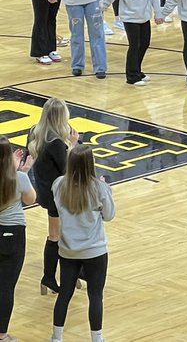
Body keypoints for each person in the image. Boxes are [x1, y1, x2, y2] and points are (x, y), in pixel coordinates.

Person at [50, 145, 115, 342]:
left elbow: (61, 209)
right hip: (95, 251)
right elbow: (109, 216)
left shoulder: (58, 184)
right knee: (95, 295)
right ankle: (97, 338)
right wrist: (106, 190)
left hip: (68, 251)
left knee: (64, 294)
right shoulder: (99, 188)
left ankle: (56, 337)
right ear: (90, 164)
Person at [28, 98, 76, 296]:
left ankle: (76, 271)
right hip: (58, 194)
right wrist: (72, 145)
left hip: (44, 189)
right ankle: (48, 277)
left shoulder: (35, 131)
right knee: (56, 236)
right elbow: (68, 169)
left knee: (63, 233)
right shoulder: (56, 142)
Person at [105, 0, 163, 86]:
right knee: (134, 45)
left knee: (144, 44)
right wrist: (100, 10)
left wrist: (158, 13)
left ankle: (137, 70)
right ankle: (131, 76)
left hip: (144, 16)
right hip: (130, 18)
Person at [0, 136, 37, 339]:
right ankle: (2, 335)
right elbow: (31, 199)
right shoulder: (19, 178)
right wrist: (21, 171)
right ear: (8, 157)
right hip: (13, 234)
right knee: (6, 287)